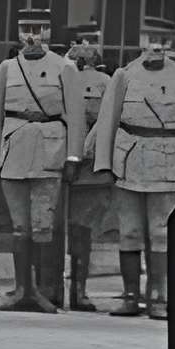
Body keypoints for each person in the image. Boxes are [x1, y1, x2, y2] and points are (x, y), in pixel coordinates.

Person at [88, 10, 175, 323]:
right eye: (149, 39)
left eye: (162, 41)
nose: (155, 46)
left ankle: (160, 297)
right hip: (128, 163)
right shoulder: (124, 75)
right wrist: (104, 163)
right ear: (141, 40)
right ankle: (129, 296)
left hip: (166, 164)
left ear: (170, 43)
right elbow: (108, 122)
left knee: (162, 232)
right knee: (129, 231)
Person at [0, 7, 82, 314]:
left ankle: (45, 291)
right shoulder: (6, 68)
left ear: (49, 34)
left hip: (49, 152)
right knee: (19, 226)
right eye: (26, 29)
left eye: (39, 29)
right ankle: (22, 290)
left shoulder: (64, 68)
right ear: (17, 32)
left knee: (44, 225)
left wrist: (72, 157)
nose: (32, 37)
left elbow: (76, 116)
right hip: (14, 152)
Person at [60, 21, 117, 311]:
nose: (86, 49)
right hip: (54, 164)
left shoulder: (106, 83)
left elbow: (106, 122)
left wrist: (81, 153)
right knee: (50, 230)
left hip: (86, 170)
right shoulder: (58, 74)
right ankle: (51, 287)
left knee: (82, 231)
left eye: (91, 42)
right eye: (80, 43)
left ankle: (78, 291)